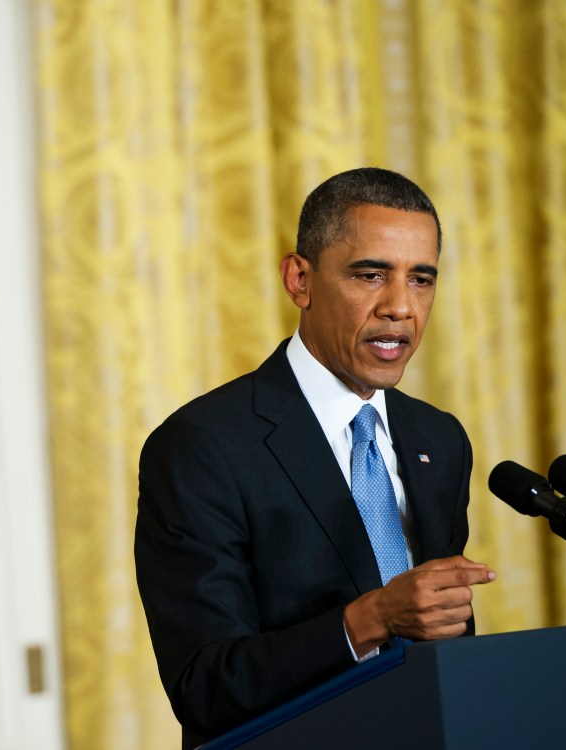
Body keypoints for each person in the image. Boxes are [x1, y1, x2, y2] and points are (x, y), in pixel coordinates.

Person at [134, 167, 496, 749]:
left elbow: (441, 635)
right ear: (299, 280)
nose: (400, 306)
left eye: (421, 279)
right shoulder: (203, 446)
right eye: (371, 274)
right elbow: (205, 685)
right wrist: (371, 618)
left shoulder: (440, 439)